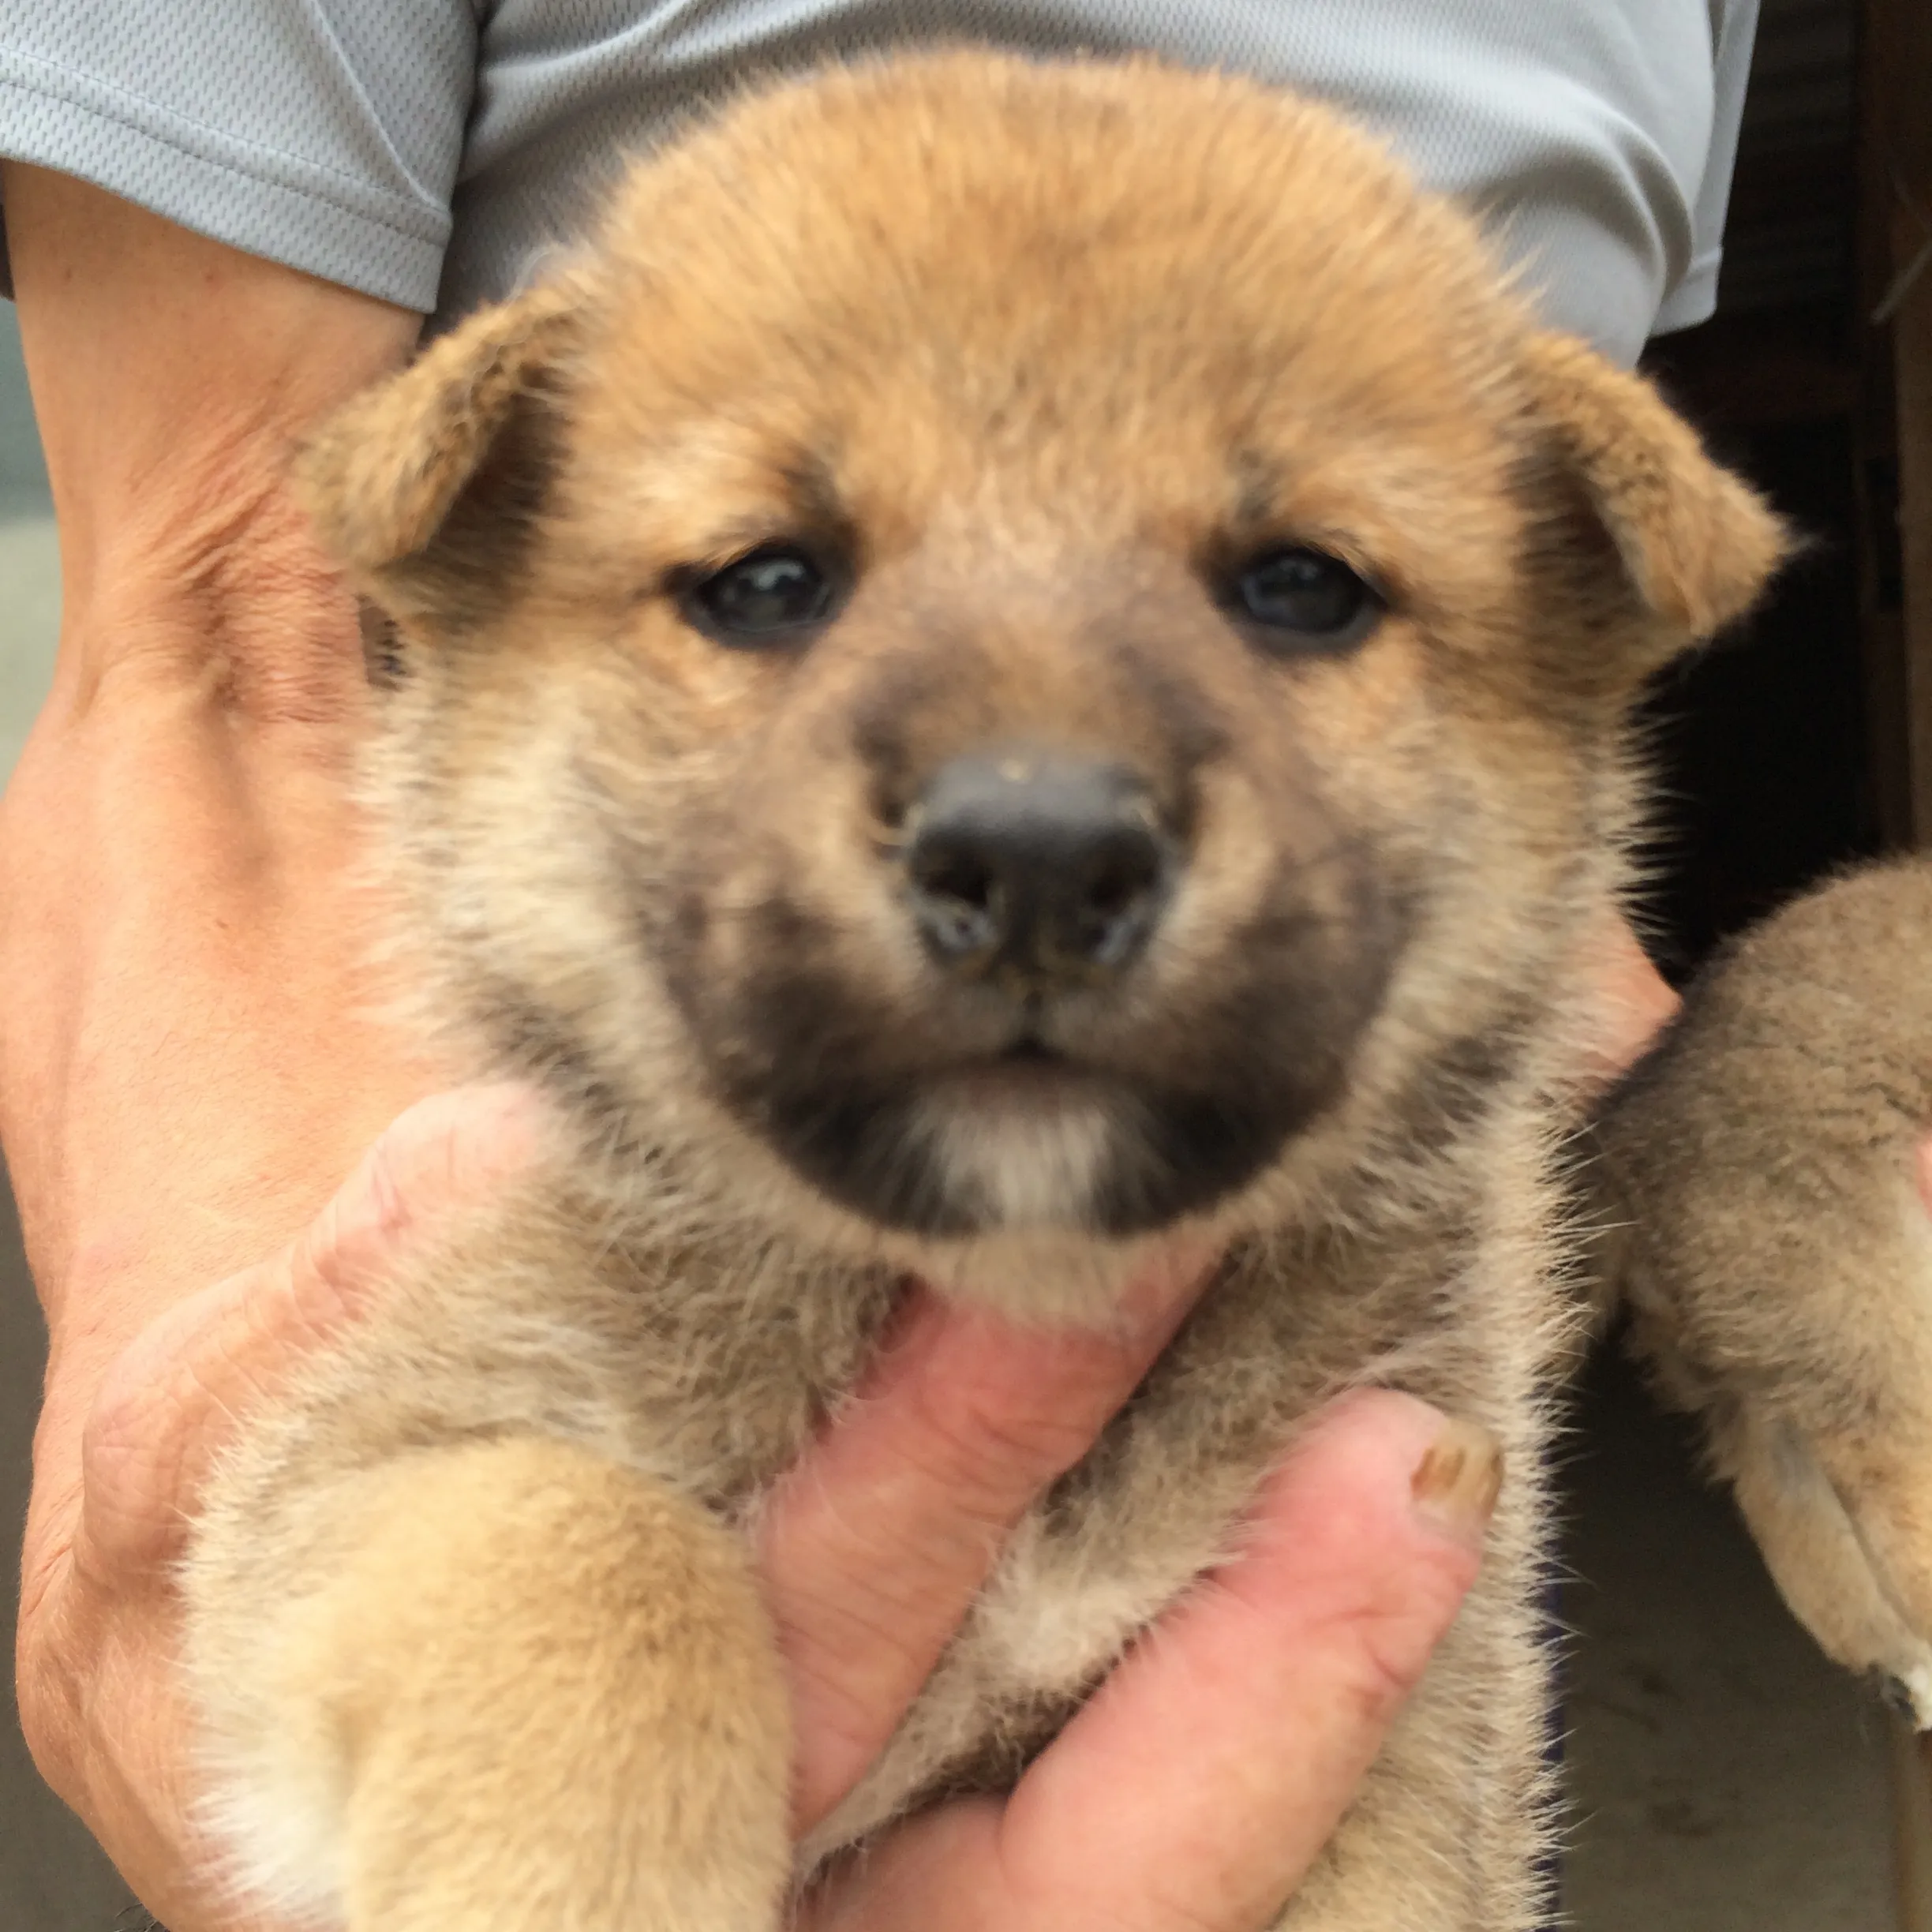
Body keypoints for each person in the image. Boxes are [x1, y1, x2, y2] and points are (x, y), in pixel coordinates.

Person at [0, 5, 1744, 1926]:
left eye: (1297, 586)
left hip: (1374, 1326)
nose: (1040, 805)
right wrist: (468, 1666)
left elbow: (1528, 734)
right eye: (768, 582)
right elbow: (213, 622)